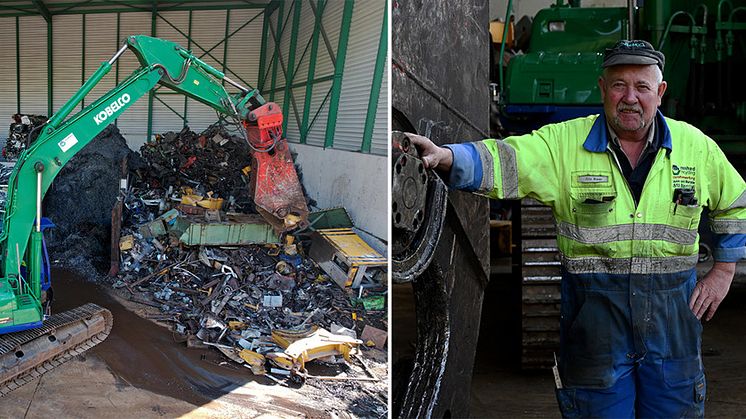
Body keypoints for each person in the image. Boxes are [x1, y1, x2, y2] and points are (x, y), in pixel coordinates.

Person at [409, 40, 746, 418]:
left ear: (660, 92)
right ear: (602, 89)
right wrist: (448, 157)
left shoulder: (696, 148)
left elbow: (736, 202)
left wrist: (724, 269)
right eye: (619, 85)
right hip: (596, 330)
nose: (630, 98)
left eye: (642, 87)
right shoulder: (564, 144)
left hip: (672, 332)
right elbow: (506, 159)